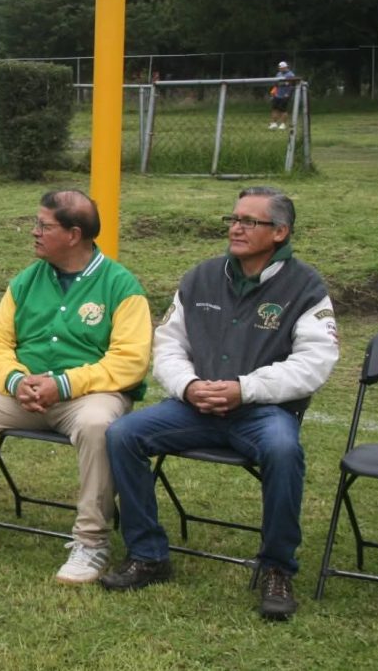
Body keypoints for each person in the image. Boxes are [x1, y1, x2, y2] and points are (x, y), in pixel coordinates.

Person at [100, 186, 339, 621]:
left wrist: (244, 389)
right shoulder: (200, 277)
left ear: (280, 232)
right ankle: (149, 554)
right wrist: (188, 387)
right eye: (233, 219)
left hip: (263, 412)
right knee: (122, 433)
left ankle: (277, 568)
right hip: (194, 406)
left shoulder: (306, 287)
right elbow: (168, 345)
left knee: (285, 450)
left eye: (250, 221)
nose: (236, 227)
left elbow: (315, 362)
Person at [0, 190, 152, 585]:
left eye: (44, 226)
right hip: (22, 392)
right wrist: (15, 379)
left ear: (74, 234)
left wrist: (64, 384)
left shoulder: (120, 285)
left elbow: (130, 361)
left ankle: (91, 541)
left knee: (100, 426)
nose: (34, 232)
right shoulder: (26, 280)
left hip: (88, 397)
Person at [269, 60, 295, 130]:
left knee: (283, 110)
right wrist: (273, 93)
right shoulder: (278, 74)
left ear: (285, 67)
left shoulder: (291, 75)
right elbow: (276, 85)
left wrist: (288, 94)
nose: (280, 69)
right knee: (274, 109)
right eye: (279, 68)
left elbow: (292, 86)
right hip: (277, 95)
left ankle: (283, 124)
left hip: (285, 95)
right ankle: (274, 123)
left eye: (281, 68)